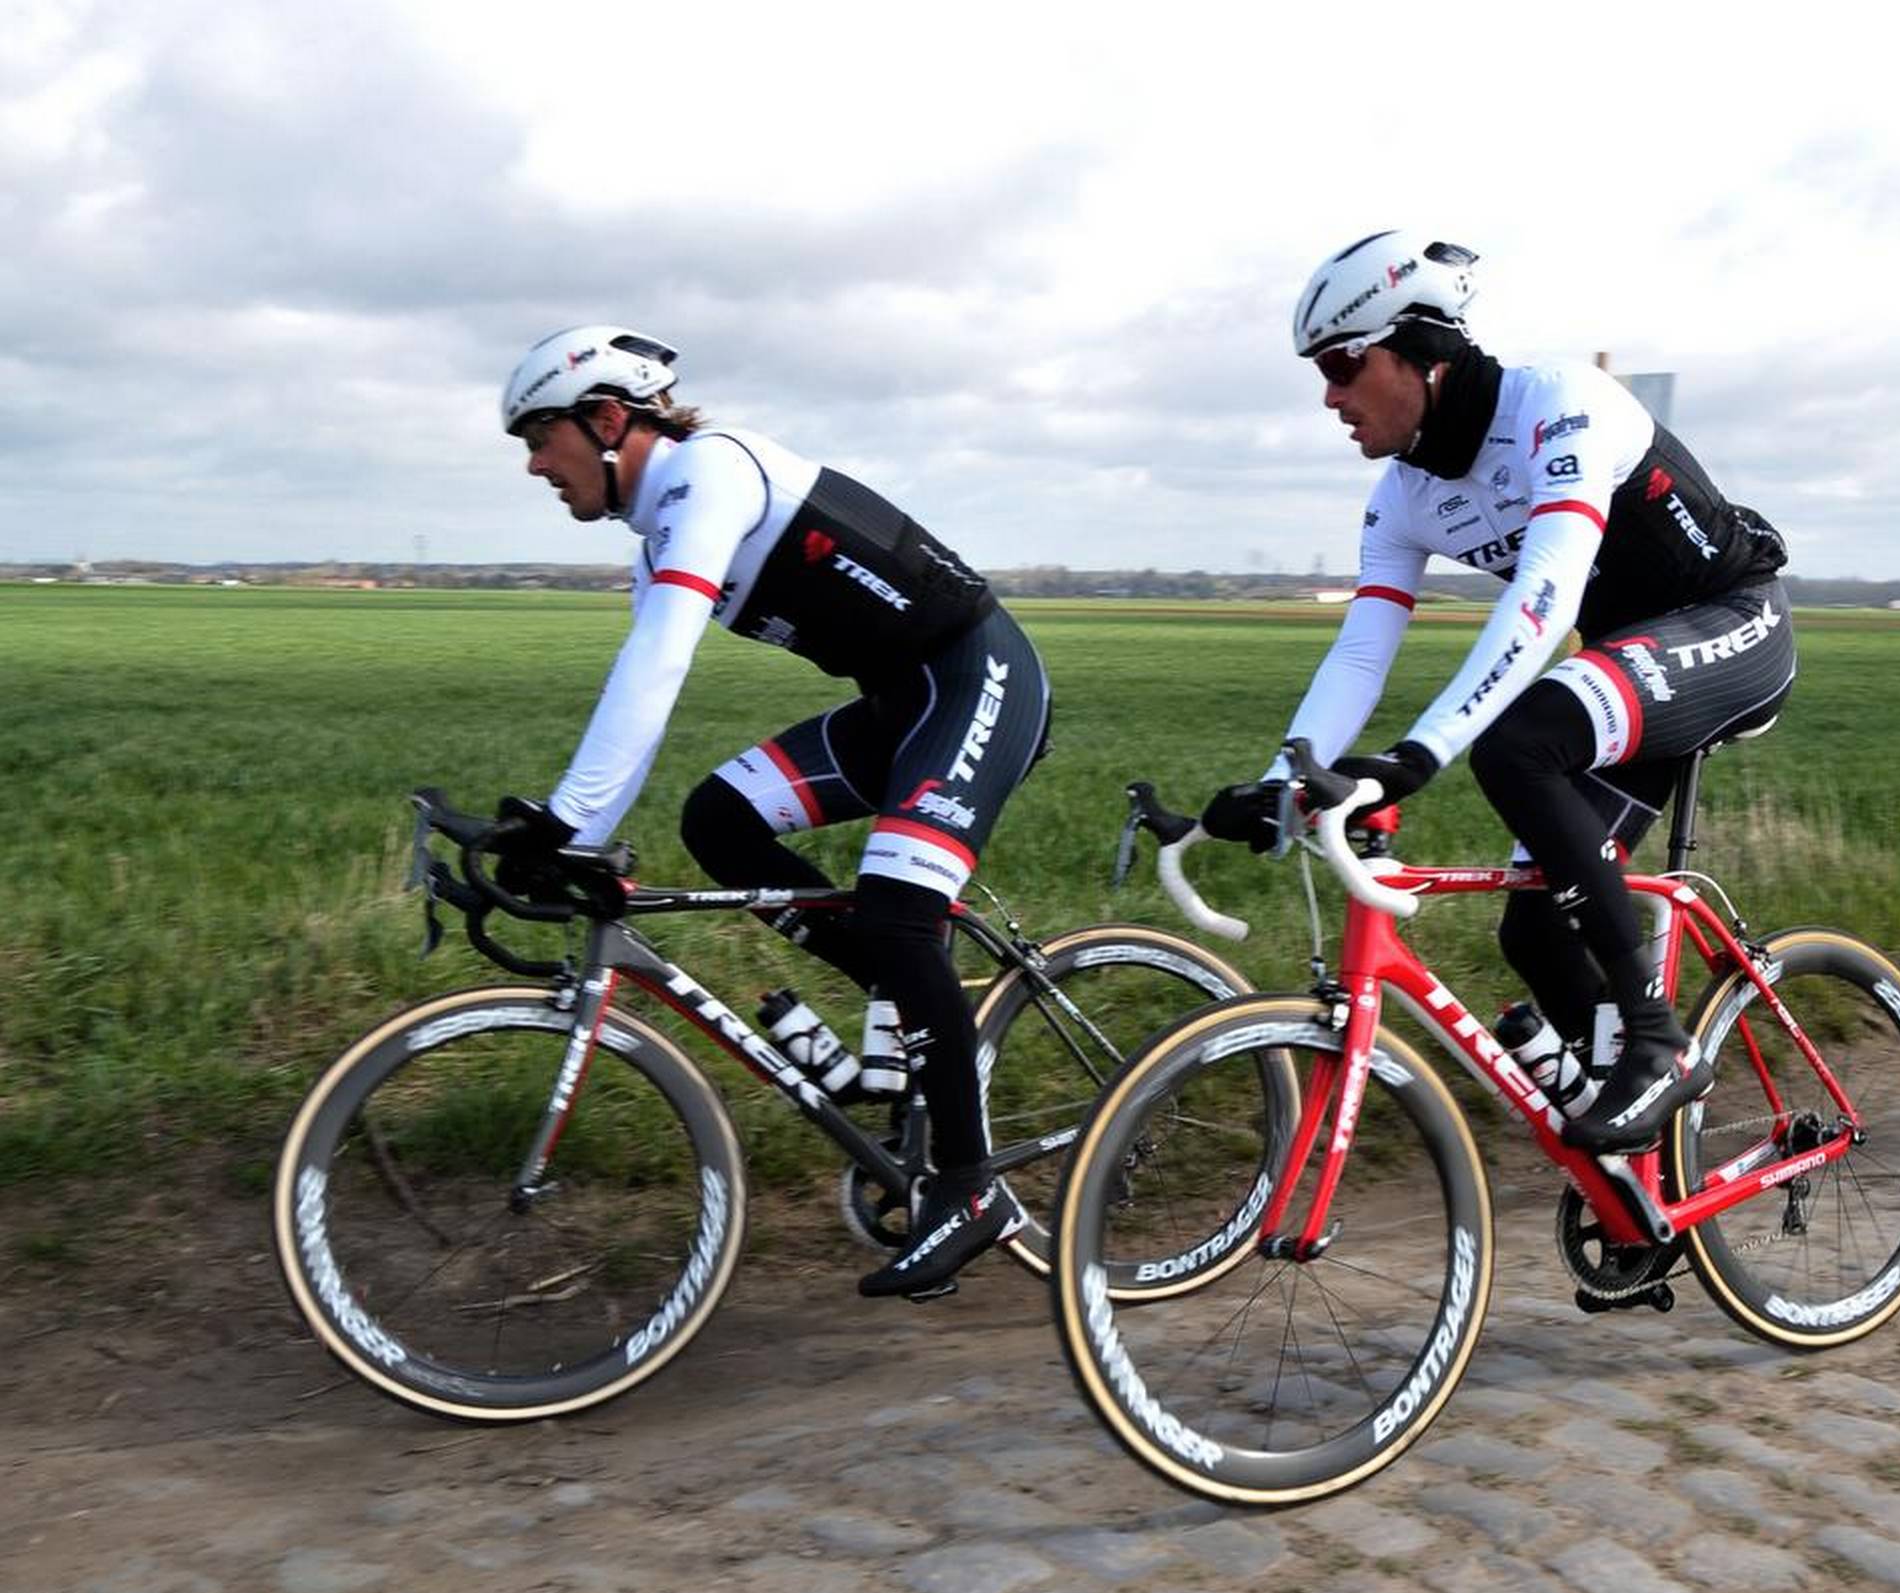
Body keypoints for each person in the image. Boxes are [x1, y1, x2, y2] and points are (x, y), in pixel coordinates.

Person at [1198, 232, 1793, 1152]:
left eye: (1344, 364)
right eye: (1321, 372)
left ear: (1422, 348)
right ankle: (1639, 1171)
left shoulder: (1561, 407)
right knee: (1536, 928)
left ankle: (1656, 1042)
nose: (1329, 394)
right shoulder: (1403, 494)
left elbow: (1542, 597)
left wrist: (1418, 755)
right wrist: (1287, 775)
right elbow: (1363, 650)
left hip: (1730, 621)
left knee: (1521, 744)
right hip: (1632, 671)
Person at [496, 326, 1052, 1296]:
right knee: (718, 820)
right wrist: (572, 829)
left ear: (608, 419)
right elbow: (639, 688)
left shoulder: (707, 475)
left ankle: (970, 1190)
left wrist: (564, 823)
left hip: (975, 679)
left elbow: (662, 661)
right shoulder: (662, 533)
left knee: (895, 907)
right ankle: (900, 987)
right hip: (897, 708)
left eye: (541, 438)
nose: (536, 464)